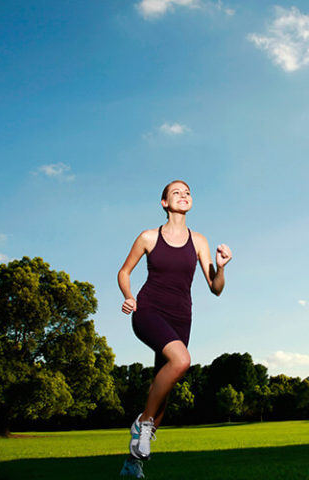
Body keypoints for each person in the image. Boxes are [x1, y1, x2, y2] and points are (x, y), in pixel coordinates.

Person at [117, 180, 232, 469]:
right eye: (176, 193)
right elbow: (124, 271)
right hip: (149, 312)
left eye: (188, 192)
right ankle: (143, 423)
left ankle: (133, 464)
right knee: (181, 361)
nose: (183, 195)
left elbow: (215, 288)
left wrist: (220, 267)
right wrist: (129, 296)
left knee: (163, 396)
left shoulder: (199, 241)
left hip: (181, 318)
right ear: (164, 203)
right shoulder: (148, 237)